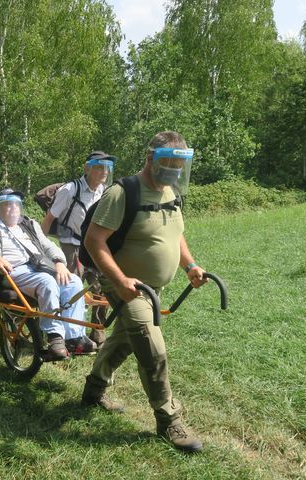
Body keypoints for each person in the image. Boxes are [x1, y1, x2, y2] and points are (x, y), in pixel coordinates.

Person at [80, 131, 207, 453]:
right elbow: (94, 241)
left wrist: (189, 265)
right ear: (150, 158)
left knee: (124, 340)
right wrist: (120, 281)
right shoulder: (123, 193)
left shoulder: (171, 192)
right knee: (152, 348)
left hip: (154, 288)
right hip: (125, 285)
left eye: (180, 166)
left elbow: (174, 235)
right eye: (169, 164)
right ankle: (169, 419)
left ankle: (93, 390)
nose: (174, 171)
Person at [0, 188, 96, 360]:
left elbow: (48, 245)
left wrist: (59, 262)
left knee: (75, 282)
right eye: (6, 205)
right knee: (47, 282)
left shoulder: (29, 224)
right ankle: (54, 336)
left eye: (16, 205)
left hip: (39, 267)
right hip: (11, 272)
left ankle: (73, 337)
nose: (12, 209)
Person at [40, 151, 114, 349]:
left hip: (94, 246)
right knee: (72, 289)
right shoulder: (70, 189)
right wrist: (38, 247)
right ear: (87, 168)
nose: (104, 171)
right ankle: (68, 335)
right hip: (71, 245)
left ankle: (98, 332)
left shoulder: (104, 191)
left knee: (100, 289)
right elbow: (49, 219)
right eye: (99, 167)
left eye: (106, 167)